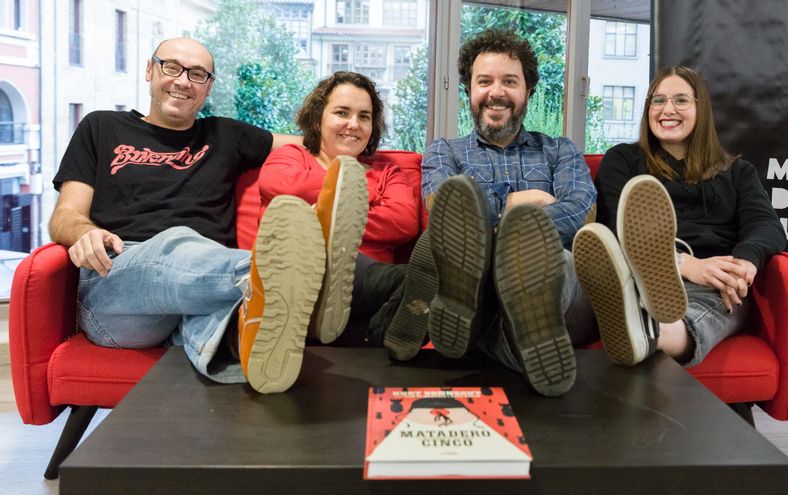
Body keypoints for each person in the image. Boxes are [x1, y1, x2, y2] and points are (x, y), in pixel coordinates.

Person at [50, 37, 324, 394]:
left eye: (197, 74)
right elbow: (65, 216)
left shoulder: (225, 135)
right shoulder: (102, 127)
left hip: (197, 295)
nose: (183, 81)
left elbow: (310, 144)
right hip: (116, 287)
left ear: (208, 87)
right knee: (177, 241)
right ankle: (274, 275)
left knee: (222, 323)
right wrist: (85, 233)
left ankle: (245, 339)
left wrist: (352, 131)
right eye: (172, 67)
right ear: (150, 70)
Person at [383, 29, 597, 397]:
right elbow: (446, 213)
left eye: (509, 81)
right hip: (477, 278)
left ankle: (472, 329)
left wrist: (499, 230)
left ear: (528, 90)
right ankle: (503, 339)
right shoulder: (443, 152)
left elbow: (581, 211)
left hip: (556, 282)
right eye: (484, 81)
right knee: (463, 239)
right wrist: (524, 203)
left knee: (548, 260)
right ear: (469, 90)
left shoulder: (560, 151)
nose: (496, 92)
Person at [572, 66, 786, 367]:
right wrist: (684, 264)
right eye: (658, 100)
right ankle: (636, 314)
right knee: (616, 263)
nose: (667, 109)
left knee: (716, 299)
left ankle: (646, 333)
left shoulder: (737, 171)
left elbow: (766, 225)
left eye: (681, 100)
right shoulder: (623, 159)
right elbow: (612, 226)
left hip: (711, 280)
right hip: (636, 270)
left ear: (701, 108)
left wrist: (743, 264)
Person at [258, 71, 419, 346]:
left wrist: (329, 215)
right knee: (414, 284)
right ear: (318, 118)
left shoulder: (388, 171)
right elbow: (288, 189)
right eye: (342, 113)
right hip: (300, 289)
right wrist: (364, 197)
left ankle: (387, 323)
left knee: (414, 296)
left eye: (364, 116)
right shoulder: (291, 157)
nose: (353, 124)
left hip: (370, 306)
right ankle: (408, 286)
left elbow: (403, 221)